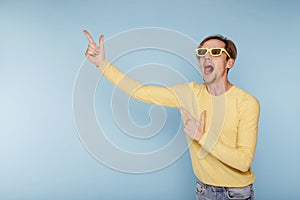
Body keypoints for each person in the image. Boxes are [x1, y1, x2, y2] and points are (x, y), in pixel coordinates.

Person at [83, 30, 260, 200]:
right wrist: (102, 63)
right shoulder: (188, 94)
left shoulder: (247, 103)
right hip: (204, 190)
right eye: (202, 52)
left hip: (236, 193)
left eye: (215, 52)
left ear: (230, 62)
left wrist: (201, 137)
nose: (206, 56)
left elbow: (243, 162)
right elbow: (141, 92)